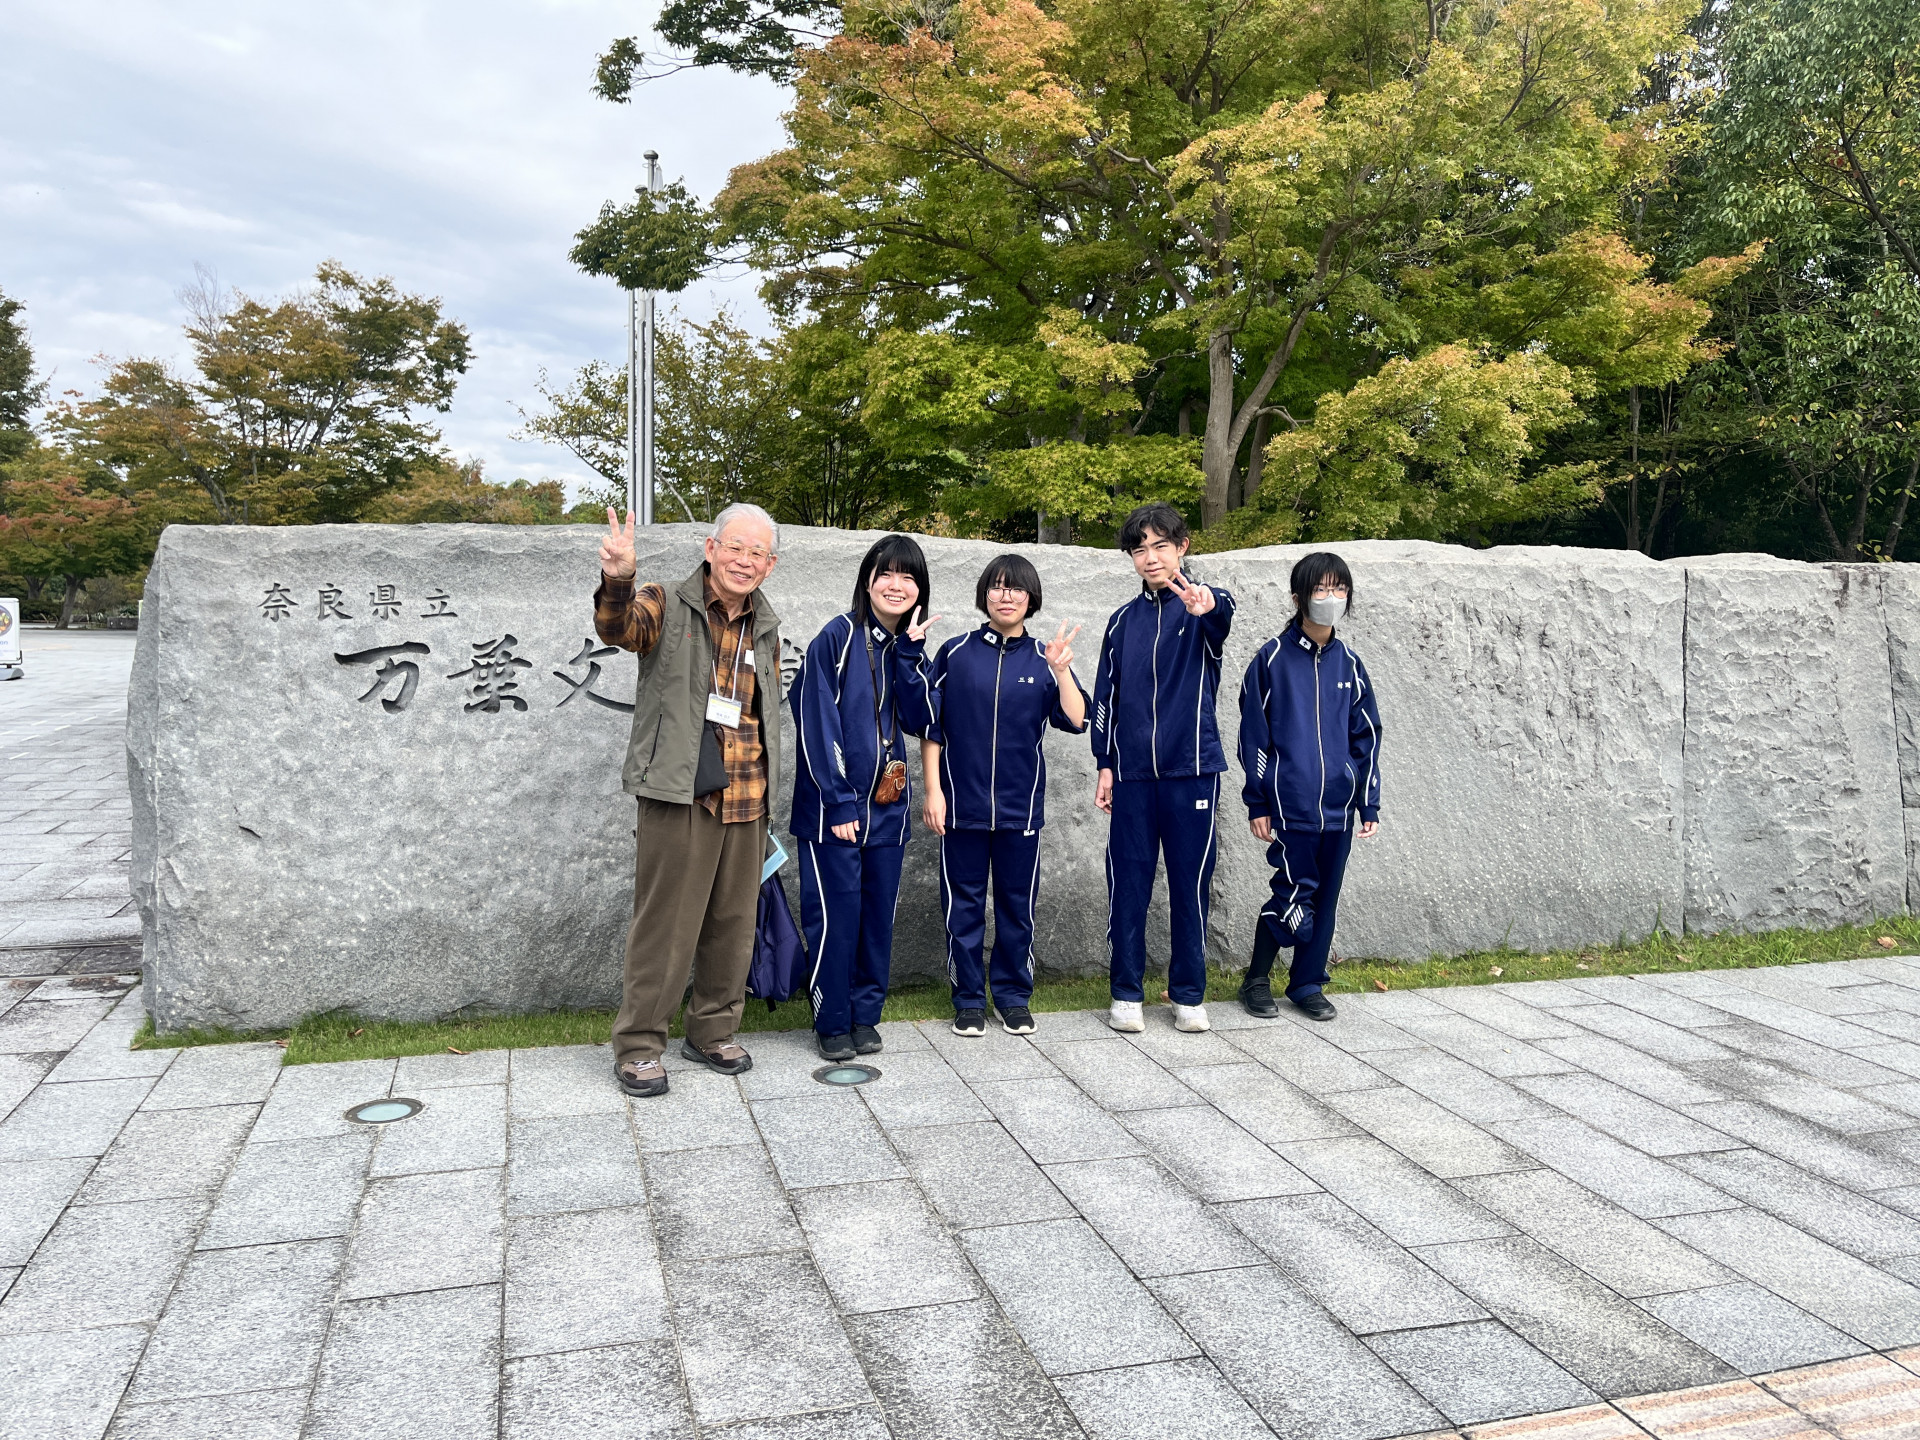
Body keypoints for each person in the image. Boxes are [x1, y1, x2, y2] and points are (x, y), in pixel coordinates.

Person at [595, 503, 784, 1098]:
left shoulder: (766, 625)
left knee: (733, 924)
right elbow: (618, 630)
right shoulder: (664, 603)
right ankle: (639, 1045)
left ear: (770, 565)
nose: (744, 561)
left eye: (757, 553)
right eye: (735, 547)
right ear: (710, 548)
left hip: (747, 796)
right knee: (666, 926)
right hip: (680, 793)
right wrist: (619, 578)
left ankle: (712, 1031)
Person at [921, 554, 1089, 1037]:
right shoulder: (955, 653)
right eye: (997, 586)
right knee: (964, 908)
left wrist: (1061, 671)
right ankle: (969, 1000)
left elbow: (1077, 719)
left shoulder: (1044, 657)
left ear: (1030, 597)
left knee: (1018, 908)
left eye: (1016, 588)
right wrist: (933, 791)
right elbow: (932, 728)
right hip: (961, 807)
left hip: (1021, 810)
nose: (1006, 596)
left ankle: (1014, 997)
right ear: (984, 595)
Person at [790, 534, 938, 1061]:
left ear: (920, 589)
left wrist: (912, 656)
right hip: (834, 812)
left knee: (877, 919)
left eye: (908, 576)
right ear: (867, 580)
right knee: (837, 918)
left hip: (888, 812)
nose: (896, 585)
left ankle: (864, 1015)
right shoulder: (837, 636)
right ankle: (832, 1021)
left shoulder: (908, 647)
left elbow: (923, 720)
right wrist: (838, 801)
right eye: (886, 574)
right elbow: (815, 721)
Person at [1090, 502, 1236, 1034]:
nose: (1150, 558)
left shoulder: (1203, 606)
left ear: (1182, 547)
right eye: (1139, 549)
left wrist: (1206, 604)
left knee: (1190, 884)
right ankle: (1126, 992)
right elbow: (1105, 699)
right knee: (1128, 884)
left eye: (1160, 546)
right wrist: (1105, 763)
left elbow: (1219, 613)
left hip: (1191, 769)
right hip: (1132, 775)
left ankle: (1189, 994)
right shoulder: (1120, 622)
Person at [1237, 551, 1382, 1022]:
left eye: (1339, 589)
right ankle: (1256, 979)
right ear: (1299, 597)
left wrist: (1368, 803)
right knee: (1294, 895)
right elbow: (1253, 736)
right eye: (1320, 589)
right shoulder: (1272, 660)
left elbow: (1367, 737)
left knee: (1325, 899)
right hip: (1289, 805)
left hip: (1338, 810)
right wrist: (1258, 800)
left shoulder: (1350, 665)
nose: (1330, 597)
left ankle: (1307, 983)